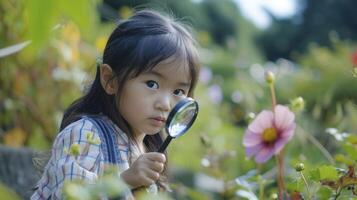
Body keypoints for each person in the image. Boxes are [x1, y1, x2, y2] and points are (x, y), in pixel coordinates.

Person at [31, 9, 200, 199]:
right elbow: (69, 195)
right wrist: (124, 181)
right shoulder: (85, 135)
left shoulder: (148, 147)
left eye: (178, 92)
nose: (165, 104)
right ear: (110, 80)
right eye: (152, 84)